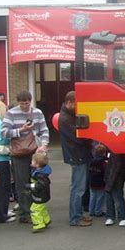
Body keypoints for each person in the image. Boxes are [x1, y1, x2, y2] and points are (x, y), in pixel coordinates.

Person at [1, 90, 49, 223]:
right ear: (18, 102)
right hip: (18, 154)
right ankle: (25, 213)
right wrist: (21, 130)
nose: (24, 106)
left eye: (26, 104)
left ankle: (34, 210)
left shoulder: (37, 113)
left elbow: (44, 130)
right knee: (21, 184)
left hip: (34, 152)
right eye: (22, 104)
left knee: (36, 182)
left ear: (30, 101)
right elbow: (3, 132)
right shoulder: (11, 113)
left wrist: (43, 145)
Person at [58, 91, 93, 227]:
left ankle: (78, 215)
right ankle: (75, 218)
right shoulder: (66, 119)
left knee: (79, 187)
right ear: (69, 103)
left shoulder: (68, 116)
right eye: (76, 104)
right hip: (76, 155)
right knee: (77, 188)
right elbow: (79, 137)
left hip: (77, 155)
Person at [27, 153, 52, 233]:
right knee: (42, 208)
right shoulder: (41, 172)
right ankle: (46, 220)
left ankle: (38, 224)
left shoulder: (40, 175)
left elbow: (40, 185)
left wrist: (31, 186)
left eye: (33, 161)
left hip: (39, 195)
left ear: (37, 164)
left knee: (34, 209)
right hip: (42, 195)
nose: (31, 161)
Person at [104, 154, 125, 227]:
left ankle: (122, 217)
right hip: (112, 176)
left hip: (115, 178)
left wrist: (110, 181)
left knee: (117, 197)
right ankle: (111, 216)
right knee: (110, 197)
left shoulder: (117, 153)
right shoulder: (114, 152)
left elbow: (116, 167)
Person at [89, 144, 106, 217]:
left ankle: (91, 211)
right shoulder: (103, 162)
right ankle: (98, 211)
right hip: (100, 182)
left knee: (93, 196)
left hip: (92, 182)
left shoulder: (91, 161)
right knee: (100, 197)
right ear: (104, 152)